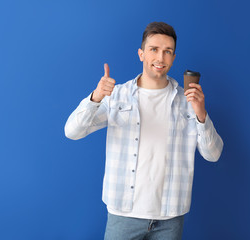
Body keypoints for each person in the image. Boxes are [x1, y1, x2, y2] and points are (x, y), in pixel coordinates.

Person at [64, 22, 223, 240]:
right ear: (141, 54)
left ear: (174, 57)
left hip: (170, 215)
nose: (160, 58)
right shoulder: (117, 96)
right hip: (123, 213)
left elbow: (213, 154)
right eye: (154, 50)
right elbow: (72, 131)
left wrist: (201, 113)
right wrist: (96, 96)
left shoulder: (188, 102)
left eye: (167, 51)